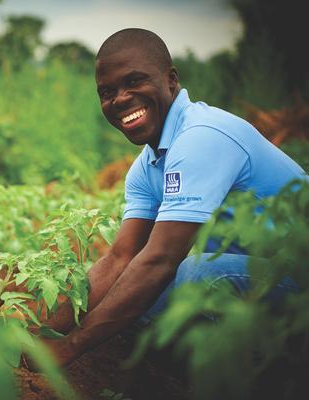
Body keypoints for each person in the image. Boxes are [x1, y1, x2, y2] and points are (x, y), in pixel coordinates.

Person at [40, 28, 307, 367]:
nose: (120, 99)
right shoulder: (147, 166)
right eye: (107, 92)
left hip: (299, 275)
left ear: (171, 79)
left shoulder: (201, 136)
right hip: (261, 275)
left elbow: (160, 260)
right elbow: (119, 260)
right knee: (138, 296)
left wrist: (70, 348)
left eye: (134, 81)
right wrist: (40, 333)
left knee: (193, 279)